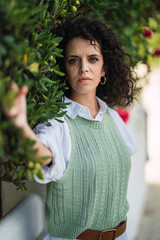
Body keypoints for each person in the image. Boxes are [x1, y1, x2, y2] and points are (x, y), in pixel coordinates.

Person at [5, 17, 137, 240]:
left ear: (104, 68)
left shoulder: (113, 118)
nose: (84, 68)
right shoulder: (58, 121)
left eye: (92, 59)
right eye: (74, 60)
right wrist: (20, 125)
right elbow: (42, 155)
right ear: (64, 68)